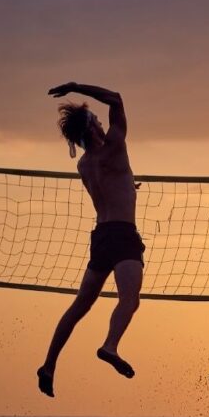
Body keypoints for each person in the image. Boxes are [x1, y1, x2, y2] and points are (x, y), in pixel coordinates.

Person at [36, 82, 145, 397]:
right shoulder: (114, 147)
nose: (101, 119)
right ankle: (110, 346)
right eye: (97, 118)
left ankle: (49, 365)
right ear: (94, 127)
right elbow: (117, 98)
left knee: (79, 307)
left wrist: (127, 186)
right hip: (124, 235)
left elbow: (112, 185)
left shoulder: (83, 165)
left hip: (101, 237)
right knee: (130, 299)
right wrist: (75, 87)